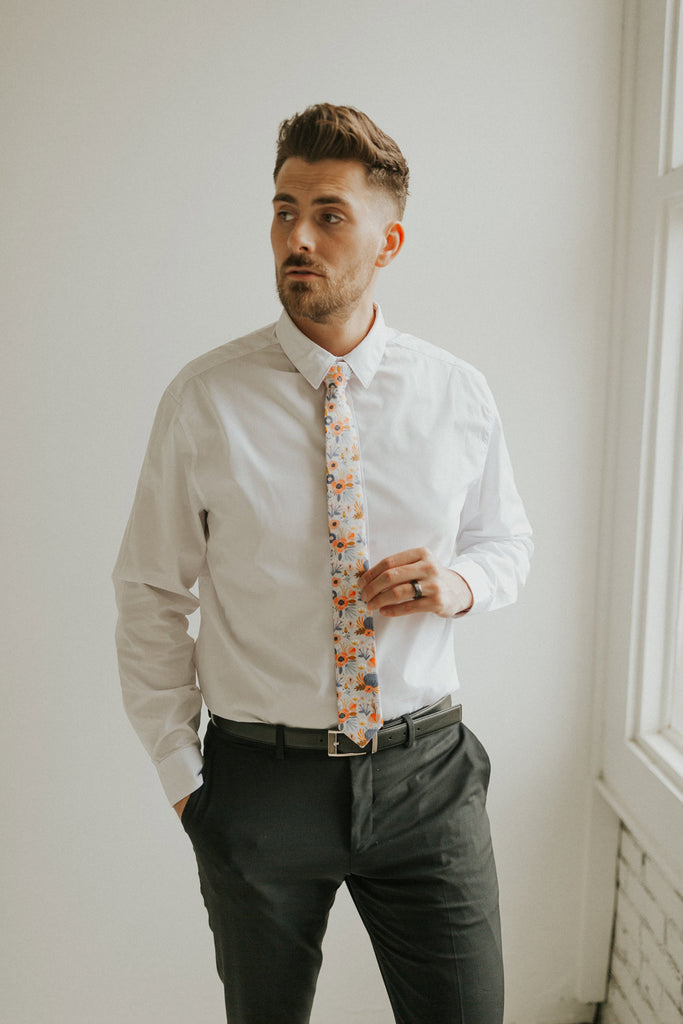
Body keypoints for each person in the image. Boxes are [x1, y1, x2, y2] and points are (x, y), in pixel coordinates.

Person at [113, 103, 532, 1024]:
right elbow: (149, 592)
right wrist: (186, 780)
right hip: (259, 786)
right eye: (282, 209)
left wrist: (457, 585)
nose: (296, 237)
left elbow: (508, 544)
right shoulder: (205, 400)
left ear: (389, 240)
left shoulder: (455, 393)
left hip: (426, 780)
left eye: (329, 214)